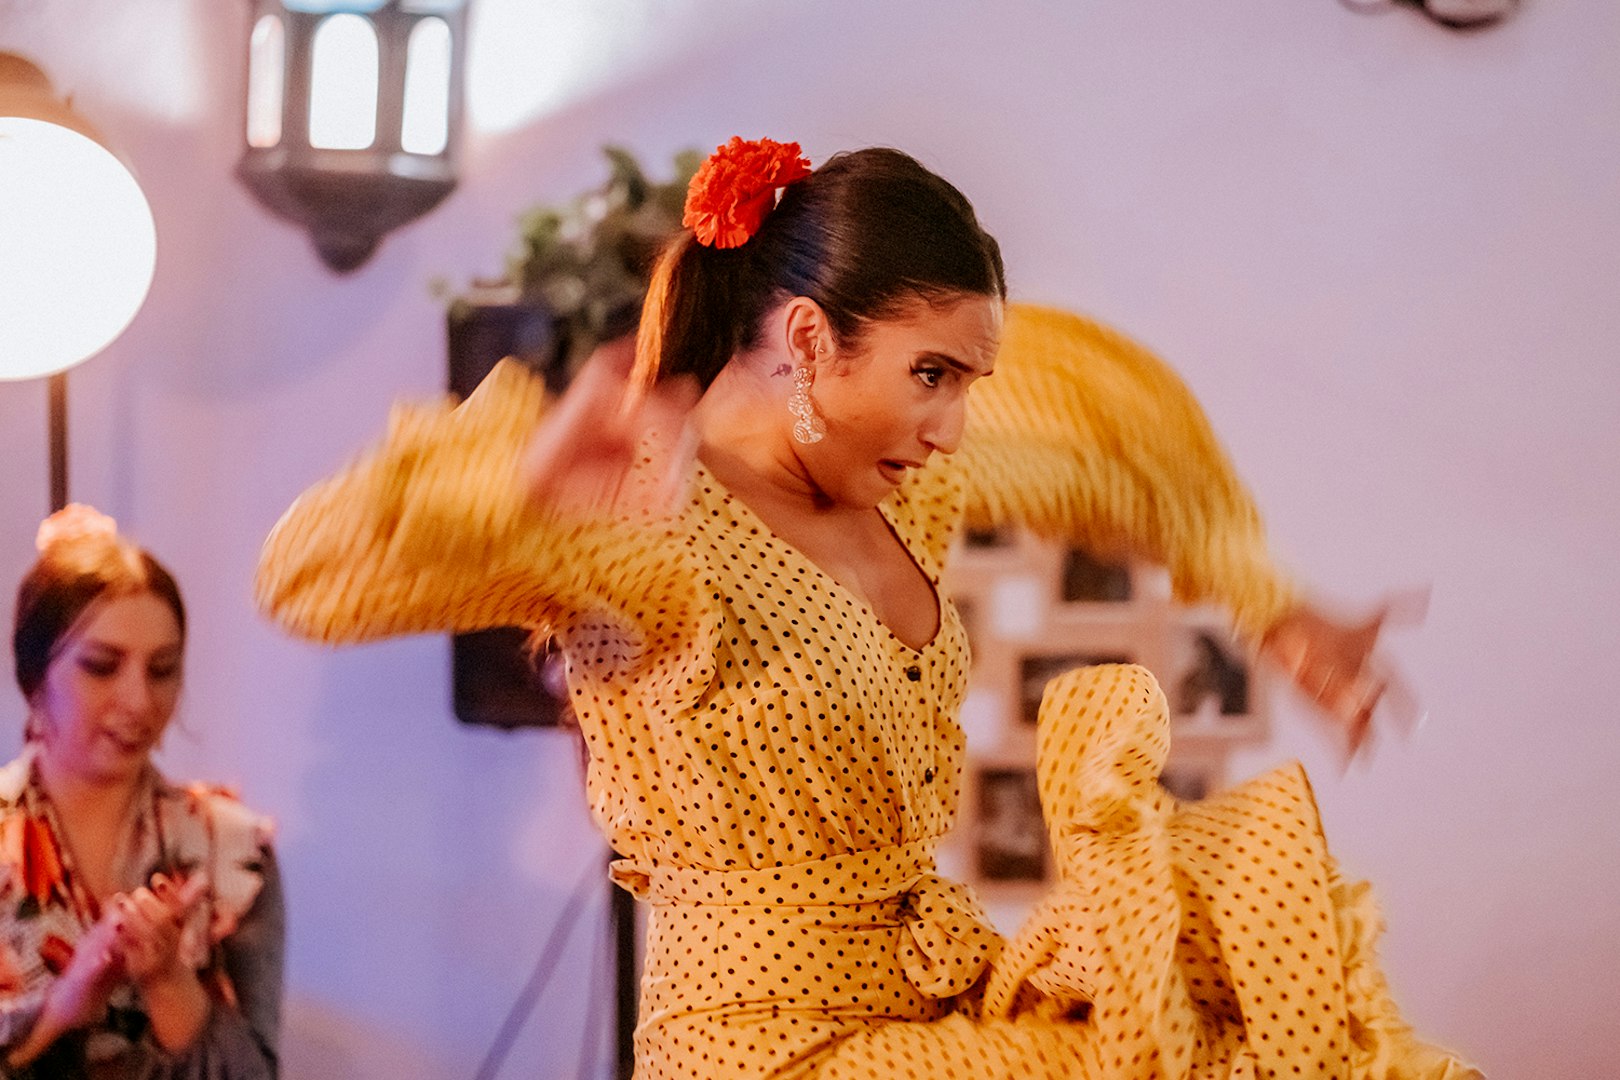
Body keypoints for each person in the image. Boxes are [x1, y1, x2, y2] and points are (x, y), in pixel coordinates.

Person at [256, 137, 1475, 1078]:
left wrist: (1276, 609)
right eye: (930, 375)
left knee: (1266, 1027)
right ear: (806, 338)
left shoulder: (912, 492)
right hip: (767, 1047)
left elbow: (1109, 448)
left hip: (927, 999)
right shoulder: (652, 524)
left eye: (968, 381)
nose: (952, 424)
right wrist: (517, 482)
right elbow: (306, 578)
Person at [2, 505, 282, 1079]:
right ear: (35, 681)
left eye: (162, 670)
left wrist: (168, 982)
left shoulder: (231, 850)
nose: (138, 701)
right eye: (102, 667)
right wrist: (62, 1006)